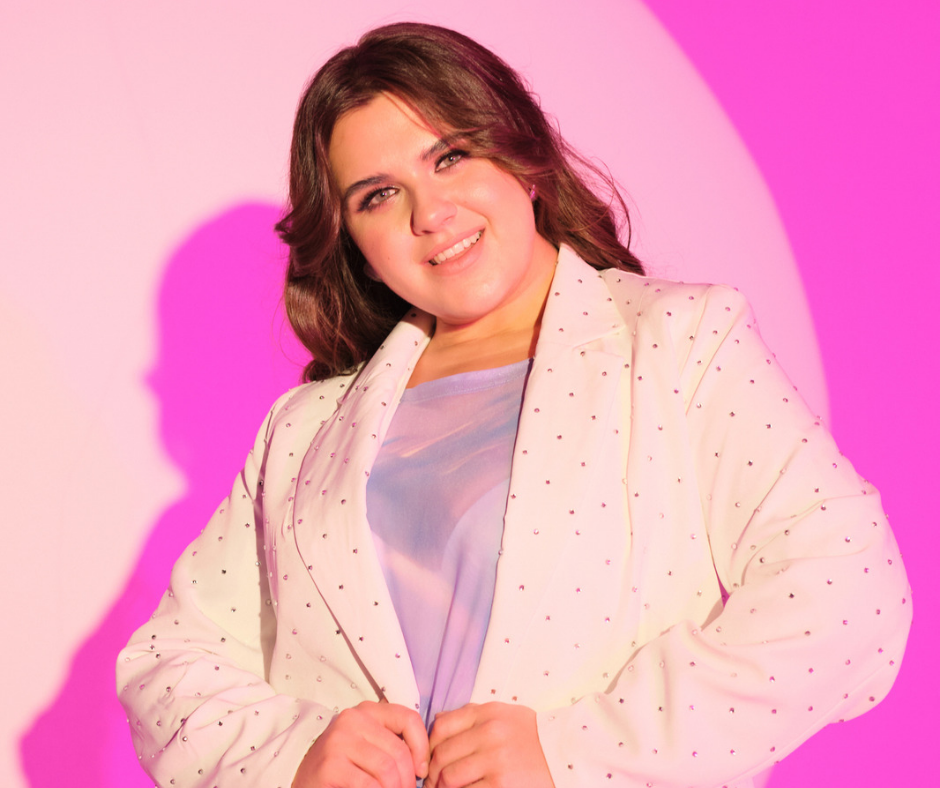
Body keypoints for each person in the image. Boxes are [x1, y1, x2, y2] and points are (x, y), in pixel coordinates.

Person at [117, 22, 911, 788]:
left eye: (451, 157)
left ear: (521, 157)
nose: (430, 215)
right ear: (354, 245)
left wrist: (575, 753)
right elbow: (166, 663)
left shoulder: (677, 343)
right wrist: (294, 758)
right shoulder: (303, 432)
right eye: (379, 196)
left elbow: (849, 590)